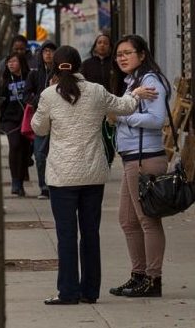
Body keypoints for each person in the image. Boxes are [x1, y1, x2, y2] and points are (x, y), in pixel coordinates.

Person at [31, 45, 158, 305]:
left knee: (66, 235)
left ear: (55, 67)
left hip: (62, 177)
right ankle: (90, 291)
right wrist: (135, 93)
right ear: (80, 66)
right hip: (93, 173)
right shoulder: (97, 91)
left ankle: (67, 292)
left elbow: (39, 129)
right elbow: (123, 106)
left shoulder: (49, 95)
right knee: (90, 233)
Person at [109, 34, 170, 298]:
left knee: (147, 221)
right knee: (127, 220)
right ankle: (139, 275)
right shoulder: (132, 83)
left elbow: (157, 119)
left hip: (145, 158)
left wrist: (123, 115)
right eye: (119, 54)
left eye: (127, 53)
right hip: (132, 158)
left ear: (142, 55)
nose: (122, 58)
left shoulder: (150, 80)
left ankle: (153, 280)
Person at [80, 33, 124, 165]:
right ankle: (96, 163)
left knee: (109, 137)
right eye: (99, 42)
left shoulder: (116, 65)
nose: (102, 45)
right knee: (94, 137)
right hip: (92, 107)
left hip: (111, 106)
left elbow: (122, 84)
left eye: (105, 42)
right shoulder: (87, 64)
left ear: (110, 46)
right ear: (95, 46)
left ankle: (107, 162)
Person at [24, 40, 57, 199]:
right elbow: (27, 96)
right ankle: (43, 186)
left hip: (58, 119)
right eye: (45, 51)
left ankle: (55, 185)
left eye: (51, 51)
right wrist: (42, 96)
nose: (48, 54)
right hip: (40, 119)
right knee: (39, 155)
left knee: (56, 155)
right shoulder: (34, 73)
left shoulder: (60, 73)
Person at [0, 51, 32, 196]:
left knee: (25, 150)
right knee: (15, 145)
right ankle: (15, 182)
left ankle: (21, 180)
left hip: (27, 118)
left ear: (21, 63)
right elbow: (0, 102)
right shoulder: (4, 81)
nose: (11, 64)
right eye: (9, 62)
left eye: (14, 61)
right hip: (10, 119)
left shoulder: (29, 77)